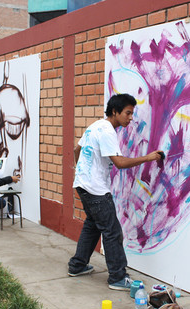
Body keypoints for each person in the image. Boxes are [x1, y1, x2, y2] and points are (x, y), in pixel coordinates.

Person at [68, 93, 163, 291]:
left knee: (92, 226)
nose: (130, 118)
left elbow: (77, 149)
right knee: (112, 232)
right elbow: (119, 163)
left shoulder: (95, 126)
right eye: (127, 113)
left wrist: (82, 171)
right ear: (115, 111)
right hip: (95, 189)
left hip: (83, 185)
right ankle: (118, 277)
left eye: (132, 113)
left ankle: (77, 266)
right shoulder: (108, 131)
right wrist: (148, 158)